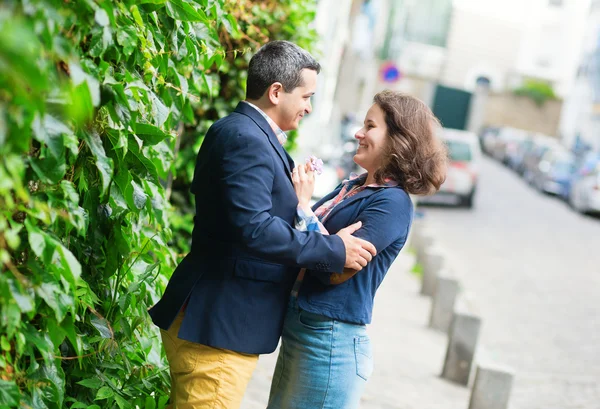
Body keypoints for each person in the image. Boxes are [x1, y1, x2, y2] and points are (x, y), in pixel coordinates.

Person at [148, 40, 377, 409]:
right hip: (218, 329)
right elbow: (254, 227)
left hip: (216, 321)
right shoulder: (246, 138)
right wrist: (334, 249)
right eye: (306, 96)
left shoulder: (243, 133)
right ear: (275, 92)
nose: (308, 106)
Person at [266, 90, 448, 409]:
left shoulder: (393, 203)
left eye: (370, 126)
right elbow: (315, 245)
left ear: (399, 139)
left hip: (329, 341)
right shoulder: (353, 187)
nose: (358, 133)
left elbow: (335, 271)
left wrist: (306, 209)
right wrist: (325, 236)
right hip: (302, 330)